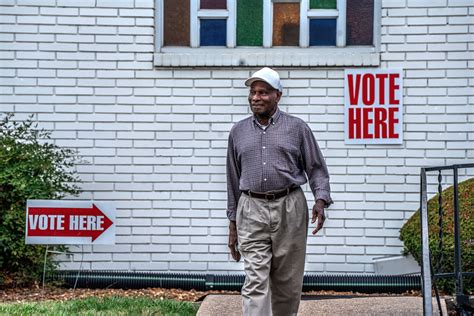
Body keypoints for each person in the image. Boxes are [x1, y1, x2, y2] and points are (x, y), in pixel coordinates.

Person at [226, 67, 332, 316]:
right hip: (251, 208)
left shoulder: (297, 128)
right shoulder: (238, 132)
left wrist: (320, 200)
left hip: (290, 206)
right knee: (255, 281)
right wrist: (232, 222)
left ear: (278, 95)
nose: (255, 97)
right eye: (253, 92)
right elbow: (232, 179)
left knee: (287, 282)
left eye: (263, 92)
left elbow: (316, 168)